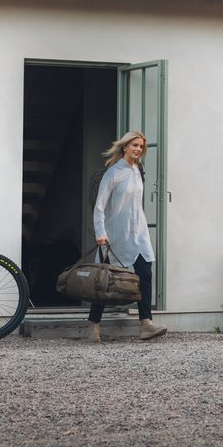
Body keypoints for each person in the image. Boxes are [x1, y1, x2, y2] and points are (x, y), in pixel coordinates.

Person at [90, 130, 167, 343]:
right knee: (104, 281)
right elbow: (99, 207)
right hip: (115, 234)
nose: (138, 150)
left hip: (139, 232)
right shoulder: (113, 173)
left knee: (145, 273)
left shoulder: (138, 170)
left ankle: (146, 323)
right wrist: (101, 233)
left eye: (141, 147)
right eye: (135, 145)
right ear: (125, 147)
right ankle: (94, 324)